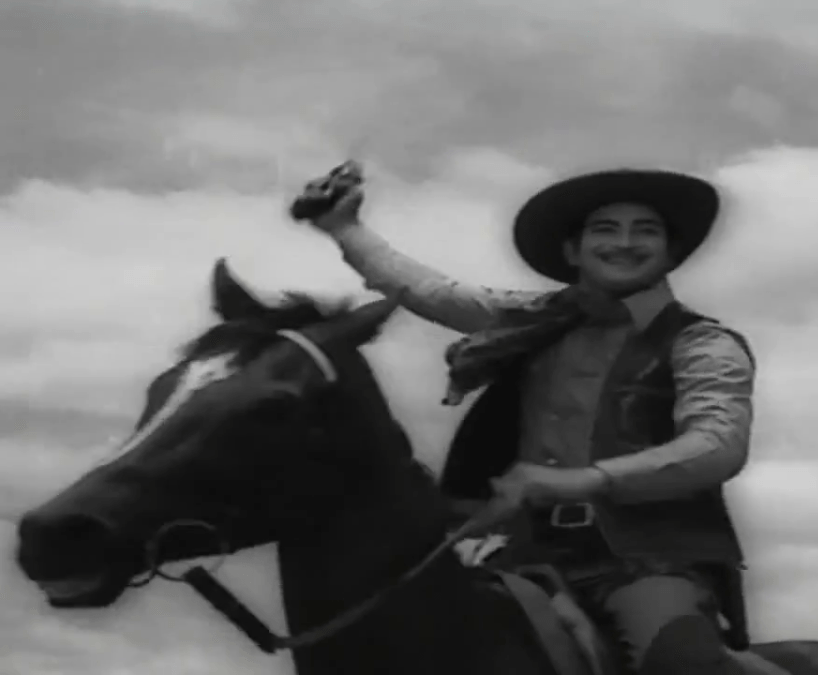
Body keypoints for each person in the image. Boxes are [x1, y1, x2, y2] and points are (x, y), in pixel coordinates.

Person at [300, 165, 758, 675]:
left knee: (680, 663)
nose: (625, 243)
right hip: (524, 551)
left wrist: (585, 480)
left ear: (671, 254)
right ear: (573, 251)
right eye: (605, 229)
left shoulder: (702, 343)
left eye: (645, 230)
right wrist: (345, 228)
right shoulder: (533, 320)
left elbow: (717, 443)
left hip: (650, 562)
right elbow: (428, 291)